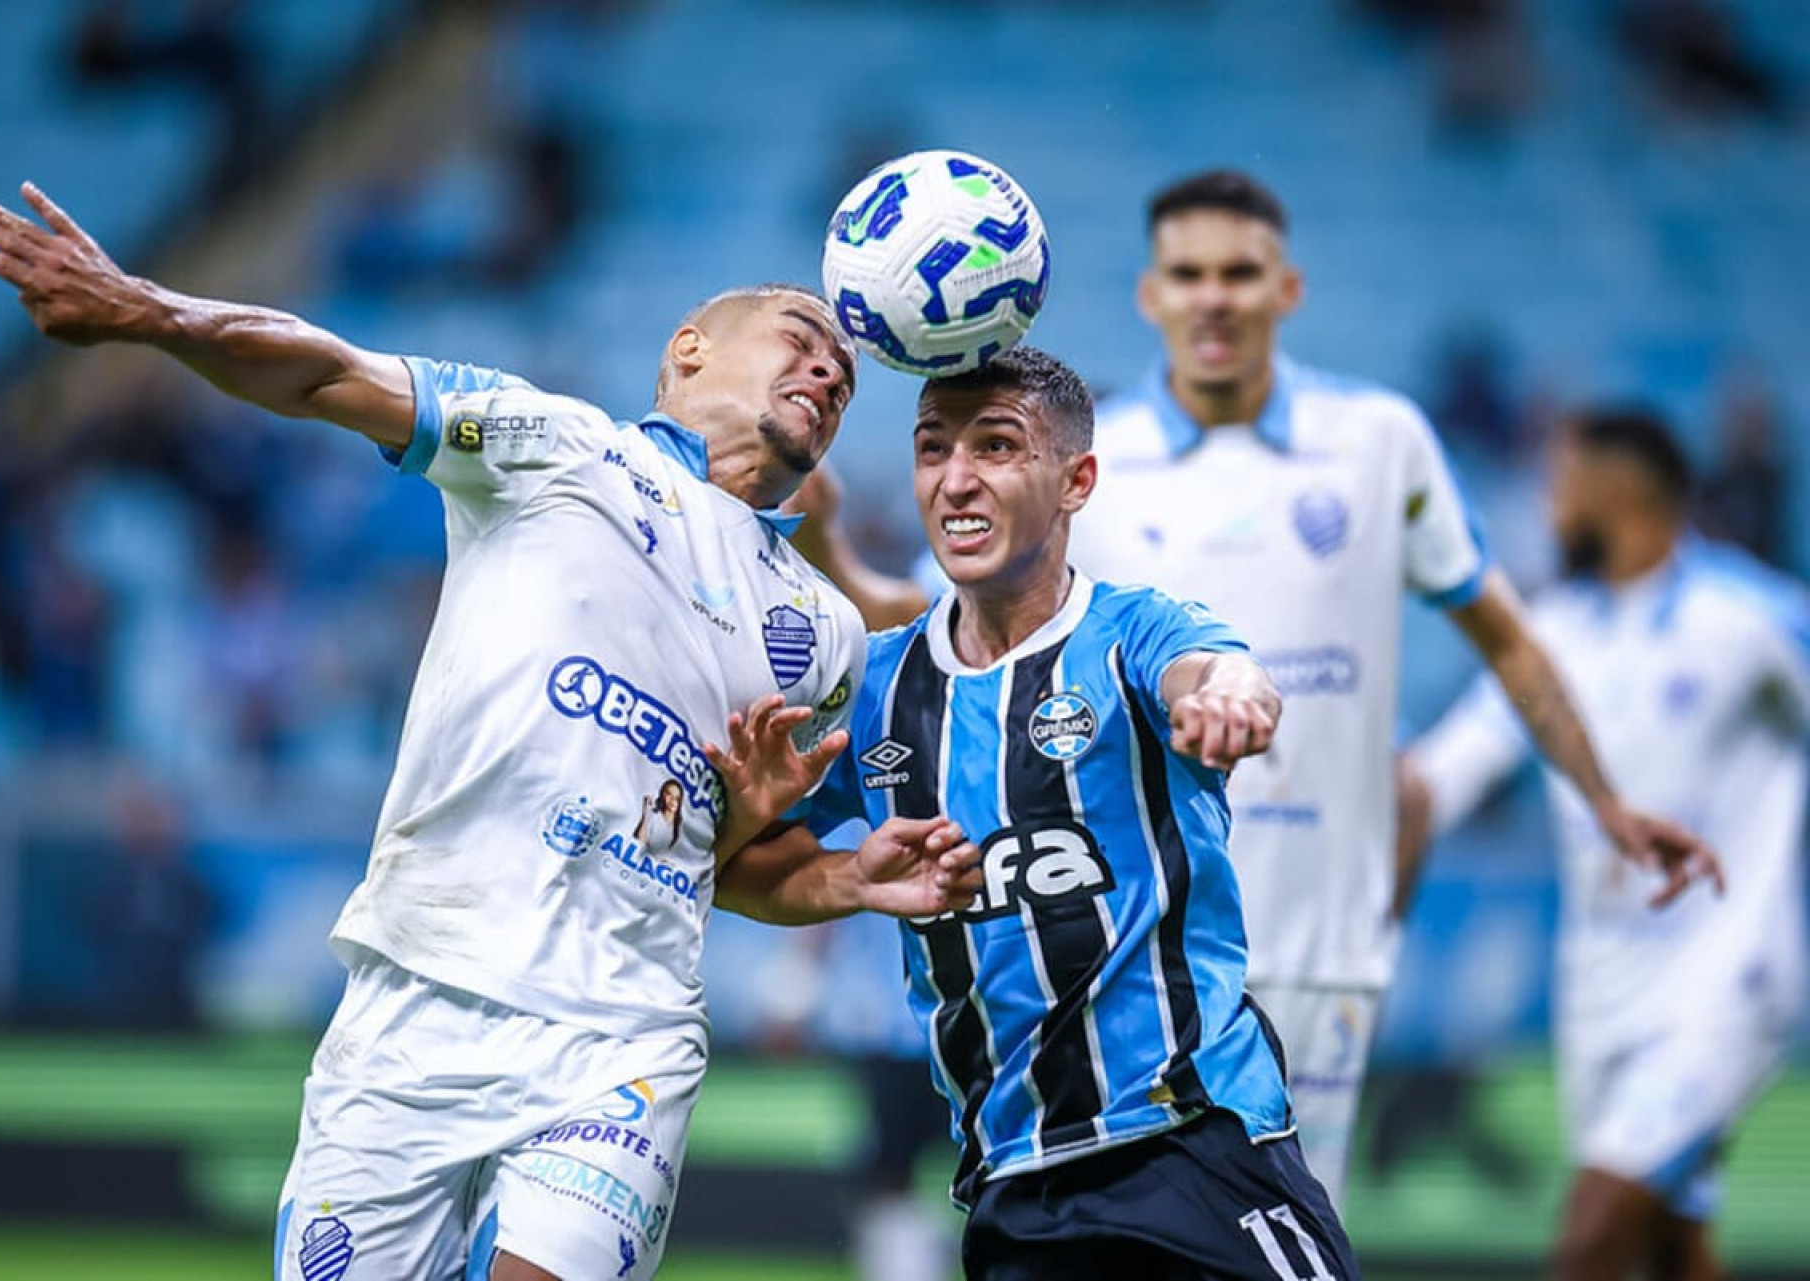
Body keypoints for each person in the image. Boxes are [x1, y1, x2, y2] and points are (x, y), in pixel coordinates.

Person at [0, 182, 982, 1281]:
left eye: (845, 373)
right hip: (419, 991)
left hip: (621, 1032)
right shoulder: (558, 449)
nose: (830, 373)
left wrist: (840, 880)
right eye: (801, 341)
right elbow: (327, 371)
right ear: (687, 351)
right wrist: (144, 310)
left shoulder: (824, 632)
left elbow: (734, 863)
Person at [790, 170, 1719, 1205]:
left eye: (1240, 273)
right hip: (1136, 948)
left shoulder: (1379, 444)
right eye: (1188, 273)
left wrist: (1606, 801)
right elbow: (933, 635)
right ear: (1152, 295)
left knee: (1282, 1235)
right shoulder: (1087, 458)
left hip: (1316, 934)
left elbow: (1508, 637)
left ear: (1289, 288)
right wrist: (828, 542)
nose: (1213, 298)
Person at [722, 347, 1361, 1279]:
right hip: (1014, 1187)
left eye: (997, 446)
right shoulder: (875, 692)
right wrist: (845, 879)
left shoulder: (1131, 634)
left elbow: (1221, 670)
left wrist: (1231, 698)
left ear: (1077, 481)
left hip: (1190, 1144)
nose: (956, 480)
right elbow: (739, 870)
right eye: (933, 448)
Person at [1401, 406, 1795, 1281]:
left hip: (1727, 974)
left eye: (1559, 479)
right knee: (1668, 1247)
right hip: (1600, 987)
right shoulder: (1555, 635)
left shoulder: (1753, 616)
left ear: (1613, 488)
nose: (1547, 503)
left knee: (1587, 1243)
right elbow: (1443, 773)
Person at [634, 779, 686, 853]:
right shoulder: (654, 816)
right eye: (669, 794)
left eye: (677, 798)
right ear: (662, 794)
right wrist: (646, 814)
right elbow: (639, 842)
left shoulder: (679, 824)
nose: (672, 800)